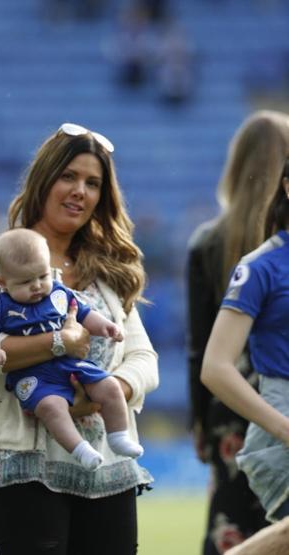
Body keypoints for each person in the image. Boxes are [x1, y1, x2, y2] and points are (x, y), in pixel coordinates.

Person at [0, 123, 159, 554]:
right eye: (69, 176)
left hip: (108, 467)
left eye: (92, 182)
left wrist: (106, 393)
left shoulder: (110, 270)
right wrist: (62, 344)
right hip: (20, 463)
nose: (79, 190)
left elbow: (143, 357)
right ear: (44, 179)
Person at [186, 110, 289, 554]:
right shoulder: (263, 263)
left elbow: (196, 346)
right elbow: (211, 359)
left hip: (228, 417)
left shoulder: (208, 241)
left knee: (231, 523)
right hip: (267, 402)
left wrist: (199, 422)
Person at [0, 228, 143, 472]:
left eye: (42, 276)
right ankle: (80, 449)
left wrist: (107, 327)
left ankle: (119, 437)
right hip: (32, 375)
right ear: (2, 282)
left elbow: (85, 314)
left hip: (69, 365)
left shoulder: (58, 293)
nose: (37, 286)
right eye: (25, 281)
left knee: (110, 386)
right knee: (52, 408)